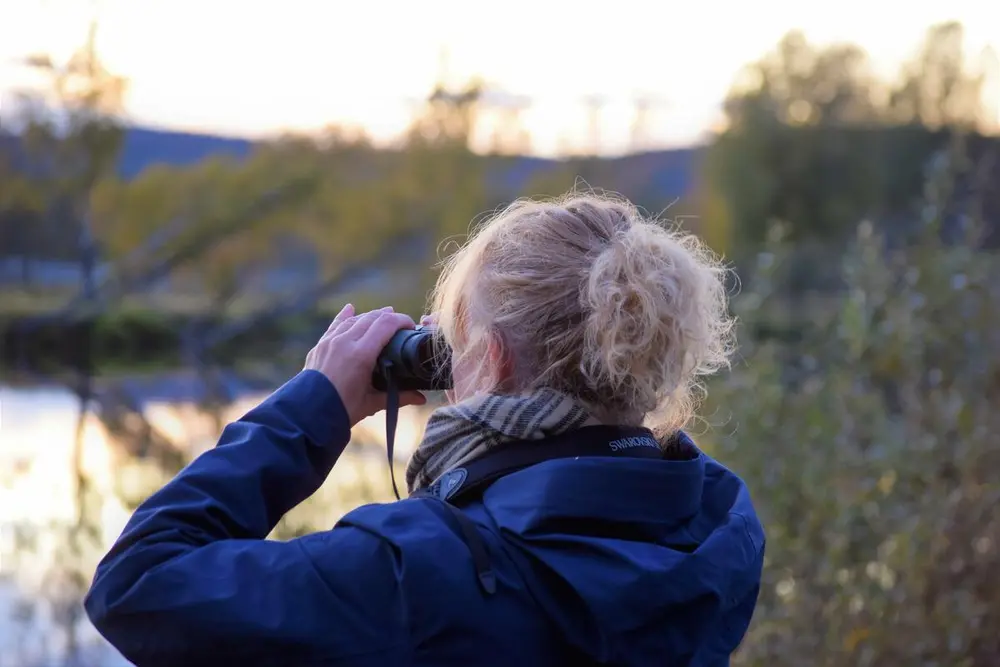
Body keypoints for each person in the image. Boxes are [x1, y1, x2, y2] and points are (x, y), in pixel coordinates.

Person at [85, 192, 764, 666]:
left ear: (491, 360)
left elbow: (137, 583)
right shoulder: (713, 531)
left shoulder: (415, 574)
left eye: (457, 345)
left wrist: (311, 406)